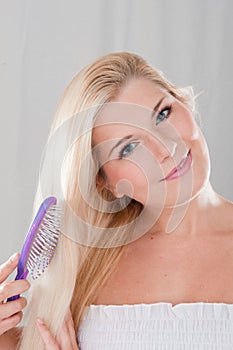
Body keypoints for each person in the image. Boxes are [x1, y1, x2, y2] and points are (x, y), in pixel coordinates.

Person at [0, 52, 233, 349]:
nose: (165, 147)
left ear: (182, 102)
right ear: (106, 182)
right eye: (129, 148)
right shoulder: (82, 271)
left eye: (162, 114)